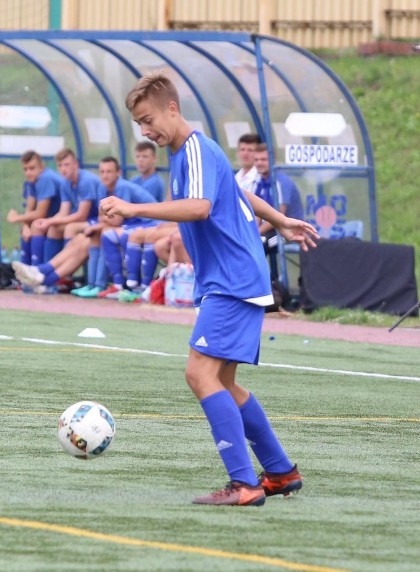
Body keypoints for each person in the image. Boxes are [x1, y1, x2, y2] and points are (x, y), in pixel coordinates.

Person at [101, 73, 318, 506]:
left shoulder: (195, 147)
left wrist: (134, 209)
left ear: (172, 109)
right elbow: (235, 194)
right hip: (233, 279)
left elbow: (200, 208)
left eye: (148, 120)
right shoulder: (188, 154)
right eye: (139, 126)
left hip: (233, 280)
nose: (146, 131)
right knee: (224, 382)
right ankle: (279, 471)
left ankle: (243, 485)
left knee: (199, 374)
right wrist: (279, 219)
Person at [70, 156, 156, 299]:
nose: (105, 175)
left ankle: (130, 285)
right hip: (133, 224)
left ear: (118, 173)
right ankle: (96, 284)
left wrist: (104, 219)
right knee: (101, 232)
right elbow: (101, 216)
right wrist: (105, 219)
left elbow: (117, 219)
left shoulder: (122, 186)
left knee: (107, 233)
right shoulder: (102, 187)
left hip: (150, 223)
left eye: (109, 171)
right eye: (102, 172)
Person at [6, 151, 70, 266]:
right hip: (51, 220)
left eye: (32, 168)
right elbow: (29, 209)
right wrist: (25, 226)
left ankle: (38, 271)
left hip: (66, 217)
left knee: (36, 226)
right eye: (25, 169)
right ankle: (25, 276)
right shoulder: (31, 181)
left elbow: (40, 213)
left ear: (41, 166)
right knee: (28, 229)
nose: (28, 172)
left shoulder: (45, 178)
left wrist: (16, 218)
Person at [252, 143, 305, 280]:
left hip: (289, 230)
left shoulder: (281, 181)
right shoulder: (259, 181)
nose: (259, 163)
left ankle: (267, 287)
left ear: (272, 160)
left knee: (262, 244)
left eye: (263, 160)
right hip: (271, 230)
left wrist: (257, 232)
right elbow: (257, 211)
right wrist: (252, 230)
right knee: (251, 242)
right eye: (256, 160)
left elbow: (279, 215)